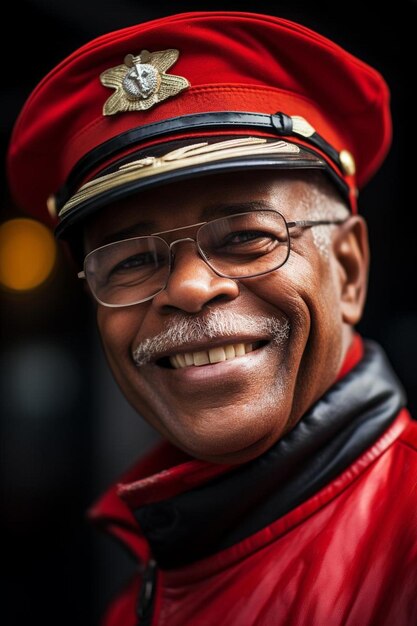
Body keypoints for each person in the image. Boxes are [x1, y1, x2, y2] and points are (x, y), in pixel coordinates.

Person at [6, 10, 417, 626]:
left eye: (249, 237)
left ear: (351, 271)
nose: (190, 288)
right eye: (132, 261)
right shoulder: (145, 589)